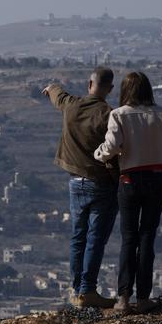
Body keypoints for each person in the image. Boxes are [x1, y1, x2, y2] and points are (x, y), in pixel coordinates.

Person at [94, 71, 162, 313]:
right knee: (147, 237)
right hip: (157, 178)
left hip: (130, 180)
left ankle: (123, 298)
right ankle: (143, 298)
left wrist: (98, 154)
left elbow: (111, 147)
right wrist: (161, 158)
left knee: (128, 238)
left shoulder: (119, 115)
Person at [43, 67, 119, 309]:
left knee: (78, 236)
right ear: (110, 89)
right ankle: (88, 290)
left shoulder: (72, 106)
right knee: (95, 239)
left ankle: (77, 290)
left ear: (89, 84)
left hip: (75, 182)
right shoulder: (110, 114)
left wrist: (51, 87)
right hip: (102, 184)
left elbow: (58, 95)